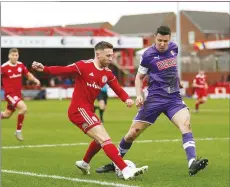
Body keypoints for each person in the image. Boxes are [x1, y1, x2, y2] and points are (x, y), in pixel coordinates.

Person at [96, 26, 208, 176]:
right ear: (155, 37)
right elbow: (138, 77)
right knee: (132, 133)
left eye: (165, 41)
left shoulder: (174, 48)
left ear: (170, 40)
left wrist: (178, 81)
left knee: (186, 125)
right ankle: (115, 162)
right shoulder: (148, 55)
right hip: (154, 99)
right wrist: (139, 95)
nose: (162, 44)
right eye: (159, 40)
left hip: (173, 98)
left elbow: (173, 69)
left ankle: (192, 162)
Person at [32, 41, 148, 180]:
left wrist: (126, 99)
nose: (111, 58)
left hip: (88, 110)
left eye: (112, 55)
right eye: (108, 55)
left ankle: (84, 163)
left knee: (99, 140)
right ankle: (125, 169)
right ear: (98, 55)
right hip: (78, 109)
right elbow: (63, 70)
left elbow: (117, 88)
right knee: (104, 138)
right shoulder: (83, 66)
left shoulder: (107, 73)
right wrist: (44, 68)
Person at [1, 48, 40, 141]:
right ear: (9, 56)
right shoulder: (4, 67)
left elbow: (28, 74)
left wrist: (35, 79)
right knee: (23, 108)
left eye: (16, 55)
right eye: (13, 55)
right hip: (10, 94)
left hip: (18, 95)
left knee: (6, 115)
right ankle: (18, 131)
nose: (15, 57)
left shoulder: (20, 65)